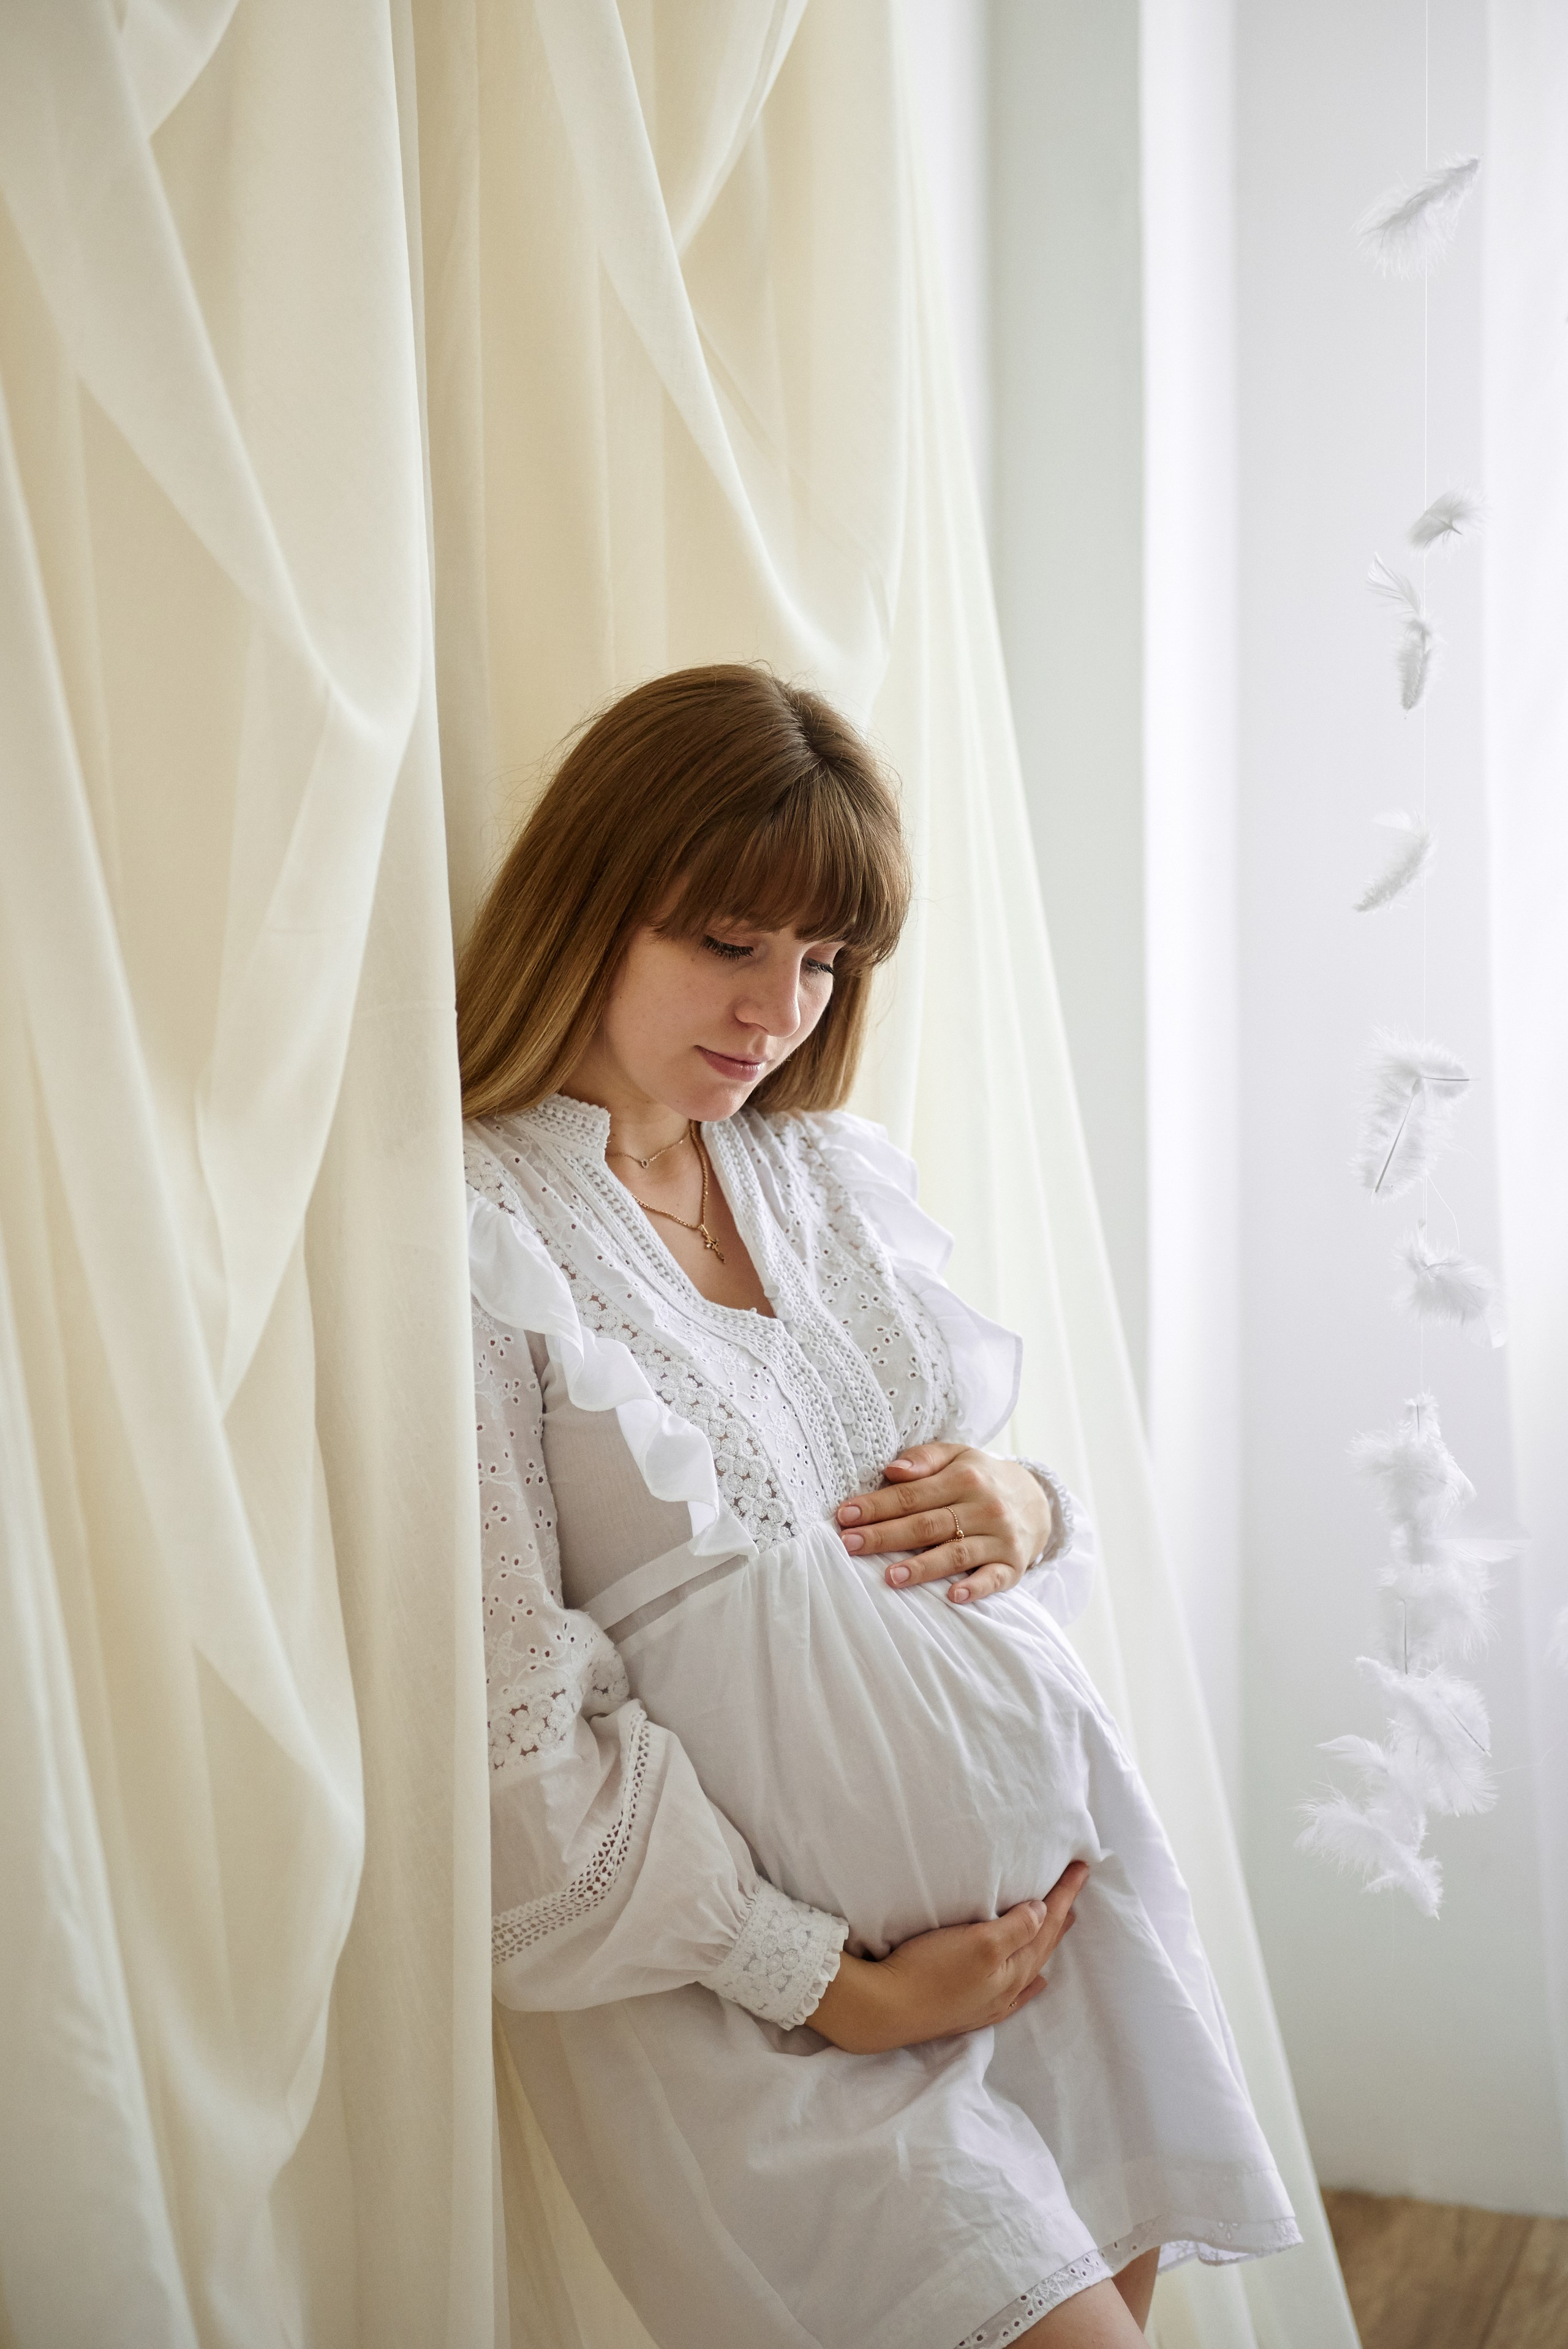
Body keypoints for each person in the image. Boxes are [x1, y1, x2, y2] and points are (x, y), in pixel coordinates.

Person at [459, 666, 1299, 2348]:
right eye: (727, 937)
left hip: (1055, 1937)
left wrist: (1032, 1499)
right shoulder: (483, 1226)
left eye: (825, 960)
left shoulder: (819, 1173)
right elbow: (504, 1711)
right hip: (763, 2010)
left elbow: (979, 1530)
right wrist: (834, 1986)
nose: (778, 1007)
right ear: (594, 897)